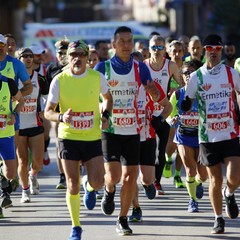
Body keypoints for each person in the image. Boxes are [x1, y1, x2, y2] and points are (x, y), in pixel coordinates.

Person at [94, 26, 162, 236]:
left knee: (130, 177)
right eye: (122, 41)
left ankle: (122, 218)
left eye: (129, 41)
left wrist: (153, 92)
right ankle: (108, 189)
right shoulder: (101, 68)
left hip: (133, 130)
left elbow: (156, 97)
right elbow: (91, 97)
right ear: (113, 45)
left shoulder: (141, 68)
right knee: (114, 176)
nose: (126, 45)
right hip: (111, 129)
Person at [44, 39, 113, 240]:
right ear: (68, 58)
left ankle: (89, 187)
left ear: (86, 58)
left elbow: (108, 98)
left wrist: (106, 115)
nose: (77, 59)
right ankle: (76, 227)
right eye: (73, 55)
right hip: (68, 137)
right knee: (71, 184)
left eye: (81, 55)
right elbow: (47, 112)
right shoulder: (60, 80)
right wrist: (61, 117)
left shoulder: (96, 77)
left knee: (99, 181)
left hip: (92, 137)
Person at [182, 34, 240, 234]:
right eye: (209, 49)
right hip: (208, 136)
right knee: (214, 179)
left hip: (230, 132)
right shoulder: (197, 76)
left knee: (235, 176)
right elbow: (187, 98)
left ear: (221, 50)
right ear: (205, 51)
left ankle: (229, 193)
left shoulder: (232, 74)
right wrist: (185, 104)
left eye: (217, 49)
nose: (213, 52)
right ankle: (218, 218)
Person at [167, 60, 207, 213]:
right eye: (185, 73)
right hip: (184, 136)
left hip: (201, 136)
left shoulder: (204, 91)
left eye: (192, 72)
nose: (189, 75)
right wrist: (172, 120)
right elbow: (168, 114)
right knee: (190, 170)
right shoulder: (177, 94)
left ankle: (197, 183)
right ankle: (193, 200)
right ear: (181, 76)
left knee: (203, 175)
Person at [144, 35, 182, 195]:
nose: (157, 51)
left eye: (160, 48)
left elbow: (181, 83)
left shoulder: (171, 65)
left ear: (164, 49)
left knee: (161, 151)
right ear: (149, 48)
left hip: (164, 112)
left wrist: (173, 88)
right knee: (148, 151)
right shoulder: (143, 65)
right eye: (154, 47)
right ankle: (147, 179)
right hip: (146, 114)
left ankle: (156, 182)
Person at [0, 33, 32, 208]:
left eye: (3, 45)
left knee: (14, 164)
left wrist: (14, 98)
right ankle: (3, 191)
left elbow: (28, 87)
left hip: (9, 120)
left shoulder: (15, 65)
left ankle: (6, 179)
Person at [17, 47, 49, 203]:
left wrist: (44, 110)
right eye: (25, 56)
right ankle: (24, 191)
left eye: (31, 56)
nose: (29, 58)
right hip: (18, 125)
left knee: (37, 161)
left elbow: (47, 98)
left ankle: (33, 175)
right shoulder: (12, 78)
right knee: (22, 161)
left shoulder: (40, 78)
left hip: (35, 123)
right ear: (19, 59)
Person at [45, 39, 69, 189]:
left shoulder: (74, 68)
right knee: (60, 143)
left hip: (73, 110)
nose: (62, 55)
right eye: (59, 53)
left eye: (65, 53)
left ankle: (76, 171)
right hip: (58, 111)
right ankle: (62, 176)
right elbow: (48, 93)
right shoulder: (52, 68)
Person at [0, 73, 24, 217]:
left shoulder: (7, 82)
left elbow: (20, 101)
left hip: (6, 133)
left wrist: (14, 114)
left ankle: (2, 177)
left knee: (10, 173)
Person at [163, 40, 185, 188]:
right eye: (174, 51)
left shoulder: (187, 68)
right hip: (170, 107)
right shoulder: (165, 68)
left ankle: (177, 175)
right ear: (169, 52)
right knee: (172, 140)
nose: (177, 54)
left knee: (183, 144)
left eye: (179, 51)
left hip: (185, 107)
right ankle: (168, 158)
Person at [30, 44, 51, 166]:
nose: (40, 56)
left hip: (43, 106)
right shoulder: (23, 69)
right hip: (28, 107)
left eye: (41, 54)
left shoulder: (45, 70)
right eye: (36, 54)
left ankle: (44, 149)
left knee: (46, 130)